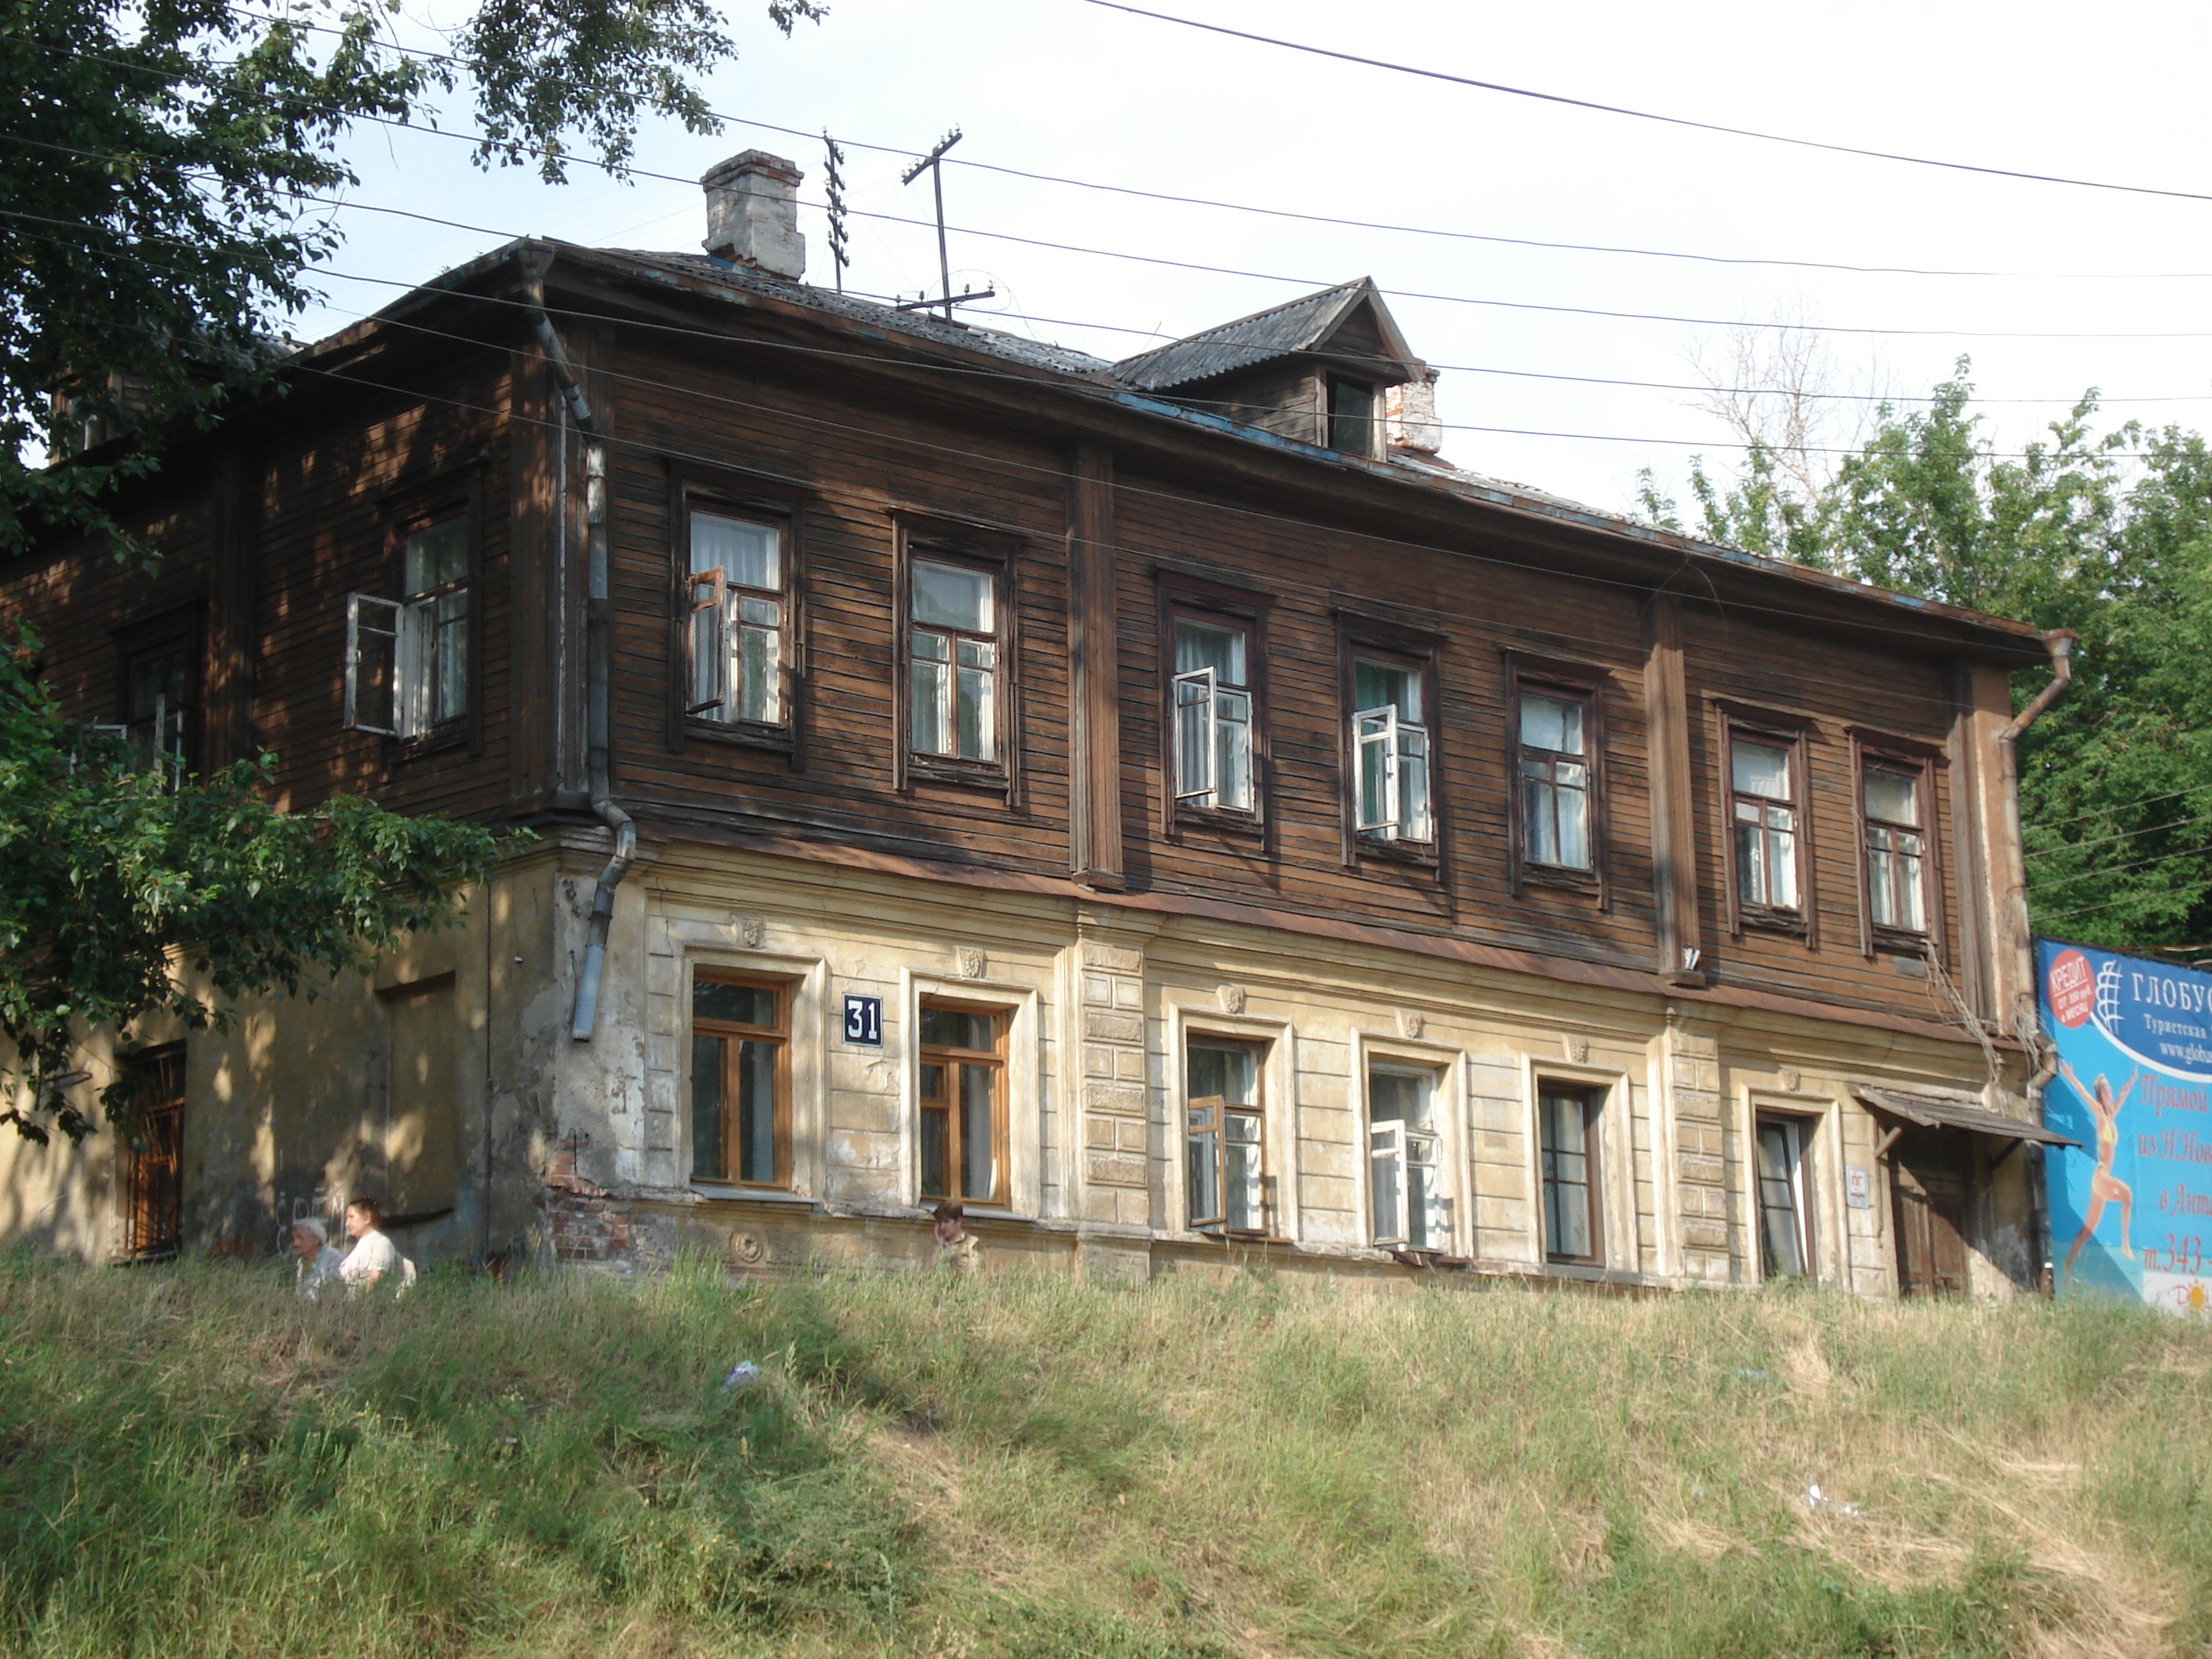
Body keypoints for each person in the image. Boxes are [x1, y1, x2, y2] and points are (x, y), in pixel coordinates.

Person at [2058, 1060, 2139, 1284]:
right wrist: (2071, 1076)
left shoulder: (2112, 1114)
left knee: (2087, 1231)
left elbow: (2123, 1094)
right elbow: (2083, 1093)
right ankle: (2125, 1244)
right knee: (2128, 1195)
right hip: (2102, 1174)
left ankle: (2067, 1265)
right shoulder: (2100, 1114)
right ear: (2102, 1092)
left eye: (2111, 1089)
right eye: (2107, 1089)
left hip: (2102, 1178)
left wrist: (2131, 1081)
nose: (2111, 1092)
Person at [339, 1195, 407, 1295]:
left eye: (351, 1217)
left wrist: (361, 1303)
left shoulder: (380, 1243)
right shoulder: (360, 1246)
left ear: (367, 1218)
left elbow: (377, 1278)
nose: (347, 1224)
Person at [290, 1218, 345, 1299]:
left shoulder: (333, 1257)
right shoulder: (301, 1261)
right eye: (293, 1238)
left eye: (300, 1237)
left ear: (316, 1239)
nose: (295, 1243)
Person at [929, 1199, 980, 1273]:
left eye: (946, 1222)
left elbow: (976, 1274)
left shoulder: (972, 1244)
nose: (942, 1227)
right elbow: (926, 1275)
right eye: (939, 1222)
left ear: (958, 1221)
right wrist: (938, 1246)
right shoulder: (938, 1245)